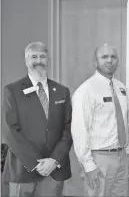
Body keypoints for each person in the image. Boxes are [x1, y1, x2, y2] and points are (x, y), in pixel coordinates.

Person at [2, 41, 73, 197]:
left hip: (54, 170)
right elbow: (9, 130)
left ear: (48, 60)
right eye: (33, 57)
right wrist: (36, 163)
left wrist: (53, 160)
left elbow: (68, 129)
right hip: (23, 170)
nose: (39, 61)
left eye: (43, 56)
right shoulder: (12, 90)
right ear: (26, 61)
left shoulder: (62, 91)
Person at [71, 43, 129, 196]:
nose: (109, 60)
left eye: (113, 57)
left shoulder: (121, 88)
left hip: (122, 157)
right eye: (104, 57)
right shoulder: (86, 90)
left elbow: (127, 122)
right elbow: (80, 129)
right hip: (99, 159)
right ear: (95, 61)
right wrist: (88, 165)